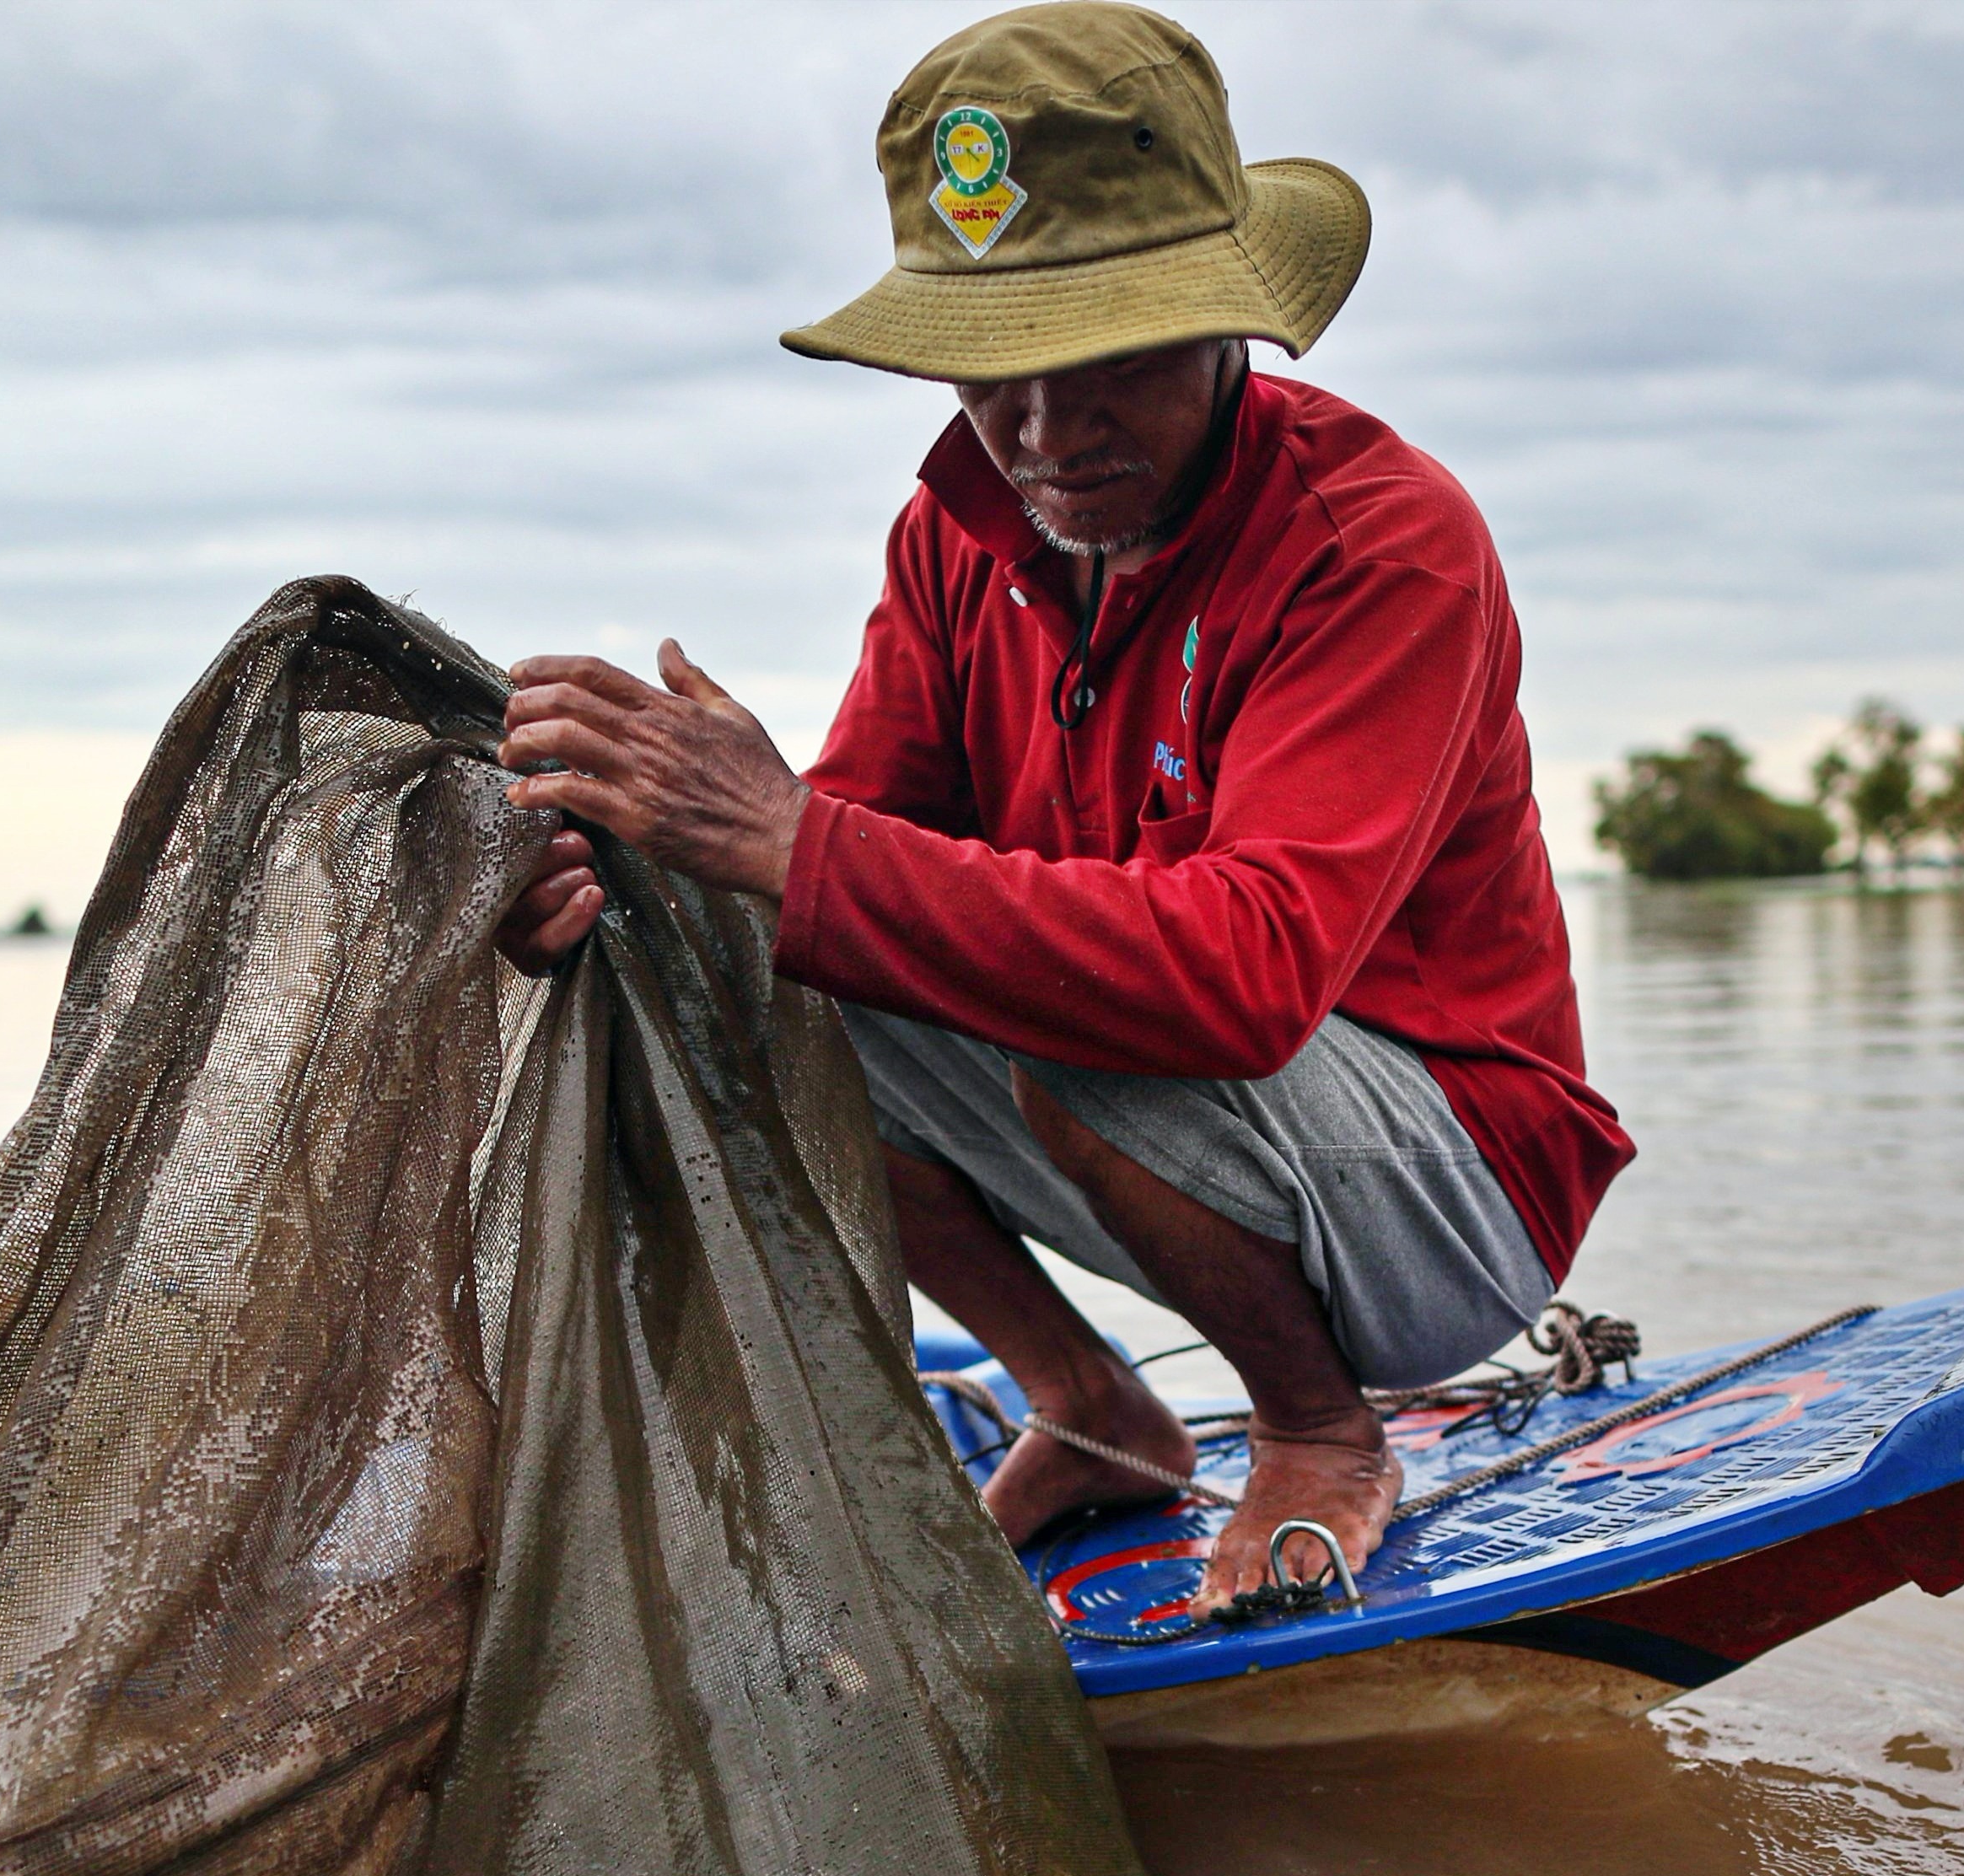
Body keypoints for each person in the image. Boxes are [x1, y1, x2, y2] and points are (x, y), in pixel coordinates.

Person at [491, 3, 1631, 1605]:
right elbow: (835, 875)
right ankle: (1091, 1404)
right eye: (991, 376)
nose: (1042, 433)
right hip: (1150, 1133)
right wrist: (626, 882)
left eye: (1104, 362)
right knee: (734, 968)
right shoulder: (960, 537)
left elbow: (1240, 977)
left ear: (1228, 321)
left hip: (1450, 1192)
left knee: (1087, 1020)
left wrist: (790, 837)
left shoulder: (1382, 543)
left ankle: (1323, 1431)